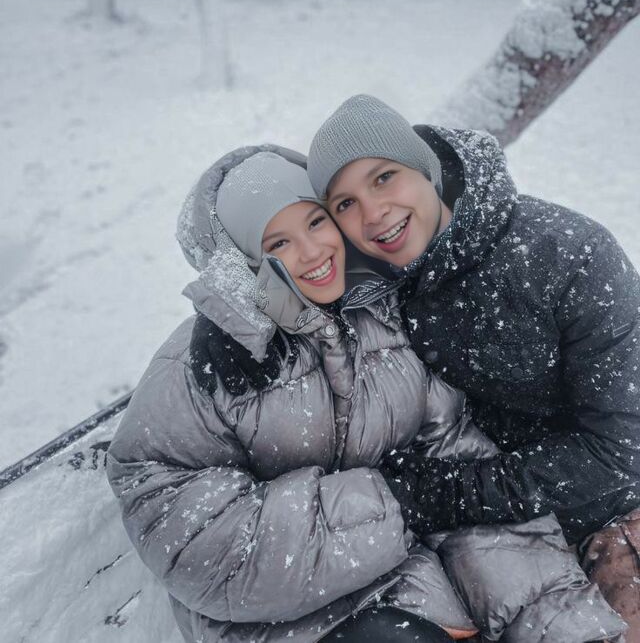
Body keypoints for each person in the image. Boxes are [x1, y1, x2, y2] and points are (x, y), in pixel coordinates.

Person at [107, 147, 625, 643]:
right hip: (287, 618)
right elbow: (189, 532)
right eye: (278, 243)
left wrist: (551, 619)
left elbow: (452, 468)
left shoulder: (382, 318)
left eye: (316, 222)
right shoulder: (206, 363)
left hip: (414, 594)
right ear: (245, 261)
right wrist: (387, 503)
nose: (313, 252)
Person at [306, 93, 640, 637]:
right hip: (480, 545)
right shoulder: (367, 280)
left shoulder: (568, 256)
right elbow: (272, 244)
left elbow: (621, 451)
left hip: (610, 516)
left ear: (426, 169)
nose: (372, 213)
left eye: (384, 177)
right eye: (344, 204)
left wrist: (444, 493)